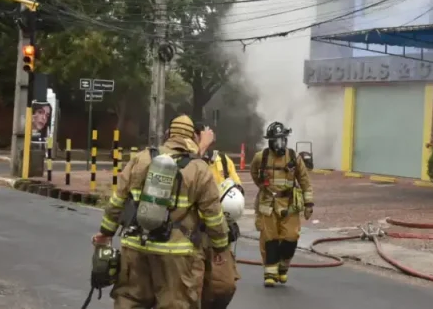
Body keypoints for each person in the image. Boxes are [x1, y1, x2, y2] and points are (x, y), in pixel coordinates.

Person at [91, 114, 229, 309]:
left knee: (130, 300)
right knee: (175, 303)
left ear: (168, 134)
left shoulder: (140, 159)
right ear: (192, 137)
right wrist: (221, 247)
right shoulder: (199, 169)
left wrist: (105, 233)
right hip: (175, 254)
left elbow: (117, 202)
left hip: (135, 245)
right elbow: (213, 215)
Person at [250, 121, 314, 287]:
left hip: (290, 204)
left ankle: (283, 268)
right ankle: (270, 273)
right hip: (268, 204)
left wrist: (309, 203)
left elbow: (305, 181)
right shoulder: (260, 157)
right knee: (269, 238)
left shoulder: (293, 157)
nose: (280, 143)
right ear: (270, 141)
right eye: (277, 140)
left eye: (283, 139)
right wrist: (264, 188)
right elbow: (254, 174)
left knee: (291, 237)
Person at [193, 123, 242, 309]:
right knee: (191, 288)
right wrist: (201, 148)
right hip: (190, 236)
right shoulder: (186, 161)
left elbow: (236, 187)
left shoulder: (222, 161)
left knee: (224, 287)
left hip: (218, 234)